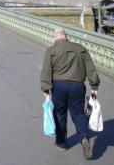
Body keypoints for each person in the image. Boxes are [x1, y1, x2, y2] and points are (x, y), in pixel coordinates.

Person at [40, 27, 100, 160]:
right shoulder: (80, 49)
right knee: (78, 114)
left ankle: (61, 143)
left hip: (59, 86)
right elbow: (90, 68)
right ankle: (84, 138)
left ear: (55, 37)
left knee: (59, 114)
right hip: (77, 86)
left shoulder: (51, 51)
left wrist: (46, 89)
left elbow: (46, 71)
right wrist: (94, 85)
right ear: (66, 36)